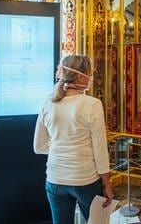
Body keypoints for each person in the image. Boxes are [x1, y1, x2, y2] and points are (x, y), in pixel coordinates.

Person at [33, 55, 114, 224]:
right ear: (80, 76)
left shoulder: (47, 103)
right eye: (90, 74)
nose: (91, 78)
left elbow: (38, 146)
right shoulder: (92, 104)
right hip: (85, 179)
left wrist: (61, 147)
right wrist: (107, 183)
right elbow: (99, 149)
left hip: (54, 179)